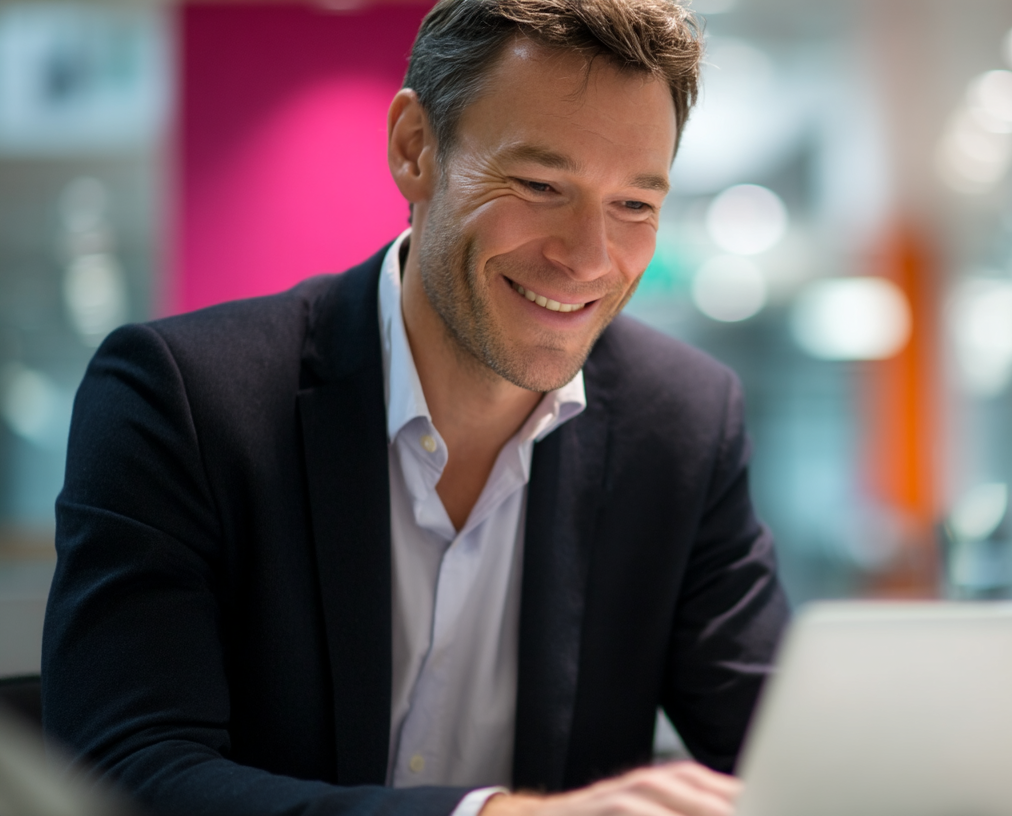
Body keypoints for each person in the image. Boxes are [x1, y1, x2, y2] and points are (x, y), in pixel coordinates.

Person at [40, 2, 790, 815]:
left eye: (635, 206)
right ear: (415, 149)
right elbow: (123, 772)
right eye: (541, 185)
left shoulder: (683, 422)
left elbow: (789, 754)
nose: (589, 259)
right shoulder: (181, 399)